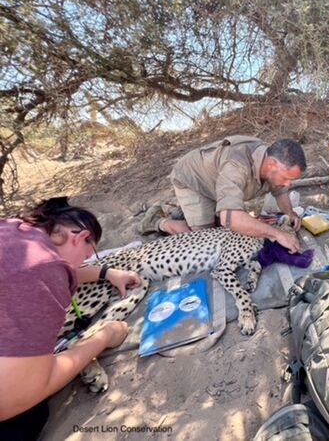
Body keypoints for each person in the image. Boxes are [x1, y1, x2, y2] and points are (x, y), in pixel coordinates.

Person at [0, 197, 141, 440]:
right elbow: (13, 400)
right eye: (87, 255)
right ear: (79, 237)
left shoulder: (13, 230)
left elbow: (59, 269)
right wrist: (102, 339)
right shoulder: (43, 269)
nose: (83, 262)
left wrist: (106, 272)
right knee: (30, 416)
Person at [143, 136, 307, 253]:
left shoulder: (270, 162)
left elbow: (280, 191)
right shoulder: (236, 164)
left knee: (225, 228)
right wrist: (278, 234)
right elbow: (230, 219)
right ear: (272, 164)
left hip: (217, 183)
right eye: (286, 178)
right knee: (204, 240)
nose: (288, 184)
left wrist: (290, 213)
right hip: (192, 180)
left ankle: (183, 212)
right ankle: (158, 221)